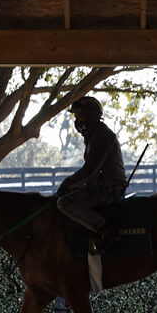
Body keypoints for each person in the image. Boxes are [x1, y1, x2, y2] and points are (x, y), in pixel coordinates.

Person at [56, 96, 127, 254]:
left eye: (79, 115)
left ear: (90, 115)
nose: (76, 119)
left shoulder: (101, 135)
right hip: (104, 187)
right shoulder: (95, 134)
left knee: (64, 203)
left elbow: (90, 170)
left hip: (108, 191)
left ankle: (107, 231)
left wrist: (67, 184)